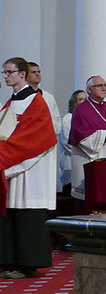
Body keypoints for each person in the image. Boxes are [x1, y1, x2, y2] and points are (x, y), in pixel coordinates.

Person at [0, 57, 56, 278]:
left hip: (29, 167)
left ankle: (28, 263)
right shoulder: (10, 102)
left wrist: (6, 158)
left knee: (27, 213)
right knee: (11, 211)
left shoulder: (36, 101)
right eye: (4, 72)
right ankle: (10, 260)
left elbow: (38, 137)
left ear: (22, 74)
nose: (5, 76)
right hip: (13, 163)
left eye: (9, 72)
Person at [68, 75, 106, 203]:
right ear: (89, 90)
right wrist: (104, 133)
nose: (103, 88)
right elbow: (80, 135)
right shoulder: (81, 110)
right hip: (93, 157)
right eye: (99, 86)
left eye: (105, 85)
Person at [59, 89, 86, 193]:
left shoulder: (87, 118)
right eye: (80, 100)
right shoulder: (68, 119)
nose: (84, 102)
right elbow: (68, 142)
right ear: (74, 103)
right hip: (71, 164)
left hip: (85, 162)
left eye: (85, 99)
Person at [27, 62, 61, 135]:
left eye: (39, 72)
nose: (37, 74)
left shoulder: (49, 97)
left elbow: (56, 119)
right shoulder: (22, 97)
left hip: (49, 137)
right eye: (33, 72)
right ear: (25, 75)